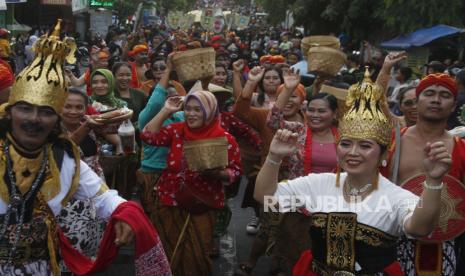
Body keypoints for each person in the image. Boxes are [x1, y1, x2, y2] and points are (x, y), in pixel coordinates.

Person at [0, 19, 170, 275]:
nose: (34, 119)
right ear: (9, 112)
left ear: (56, 119)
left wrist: (125, 212)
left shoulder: (63, 158)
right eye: (25, 109)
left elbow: (102, 197)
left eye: (45, 112)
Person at [255, 69, 451, 275]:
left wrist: (434, 180)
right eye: (346, 144)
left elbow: (419, 229)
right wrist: (274, 157)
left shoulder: (395, 197)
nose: (353, 153)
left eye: (365, 146)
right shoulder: (319, 184)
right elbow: (265, 197)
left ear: (384, 154)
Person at [140, 90, 242, 276]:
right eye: (188, 109)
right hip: (169, 200)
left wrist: (218, 174)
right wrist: (166, 110)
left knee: (197, 254)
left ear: (210, 111)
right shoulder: (177, 130)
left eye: (198, 109)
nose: (191, 114)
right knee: (167, 249)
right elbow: (147, 136)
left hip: (203, 203)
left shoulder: (225, 138)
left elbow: (235, 172)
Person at [381, 73, 465, 275]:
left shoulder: (461, 149)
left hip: (440, 246)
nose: (436, 100)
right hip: (388, 239)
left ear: (453, 106)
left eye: (444, 95)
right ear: (416, 103)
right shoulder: (389, 143)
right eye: (429, 93)